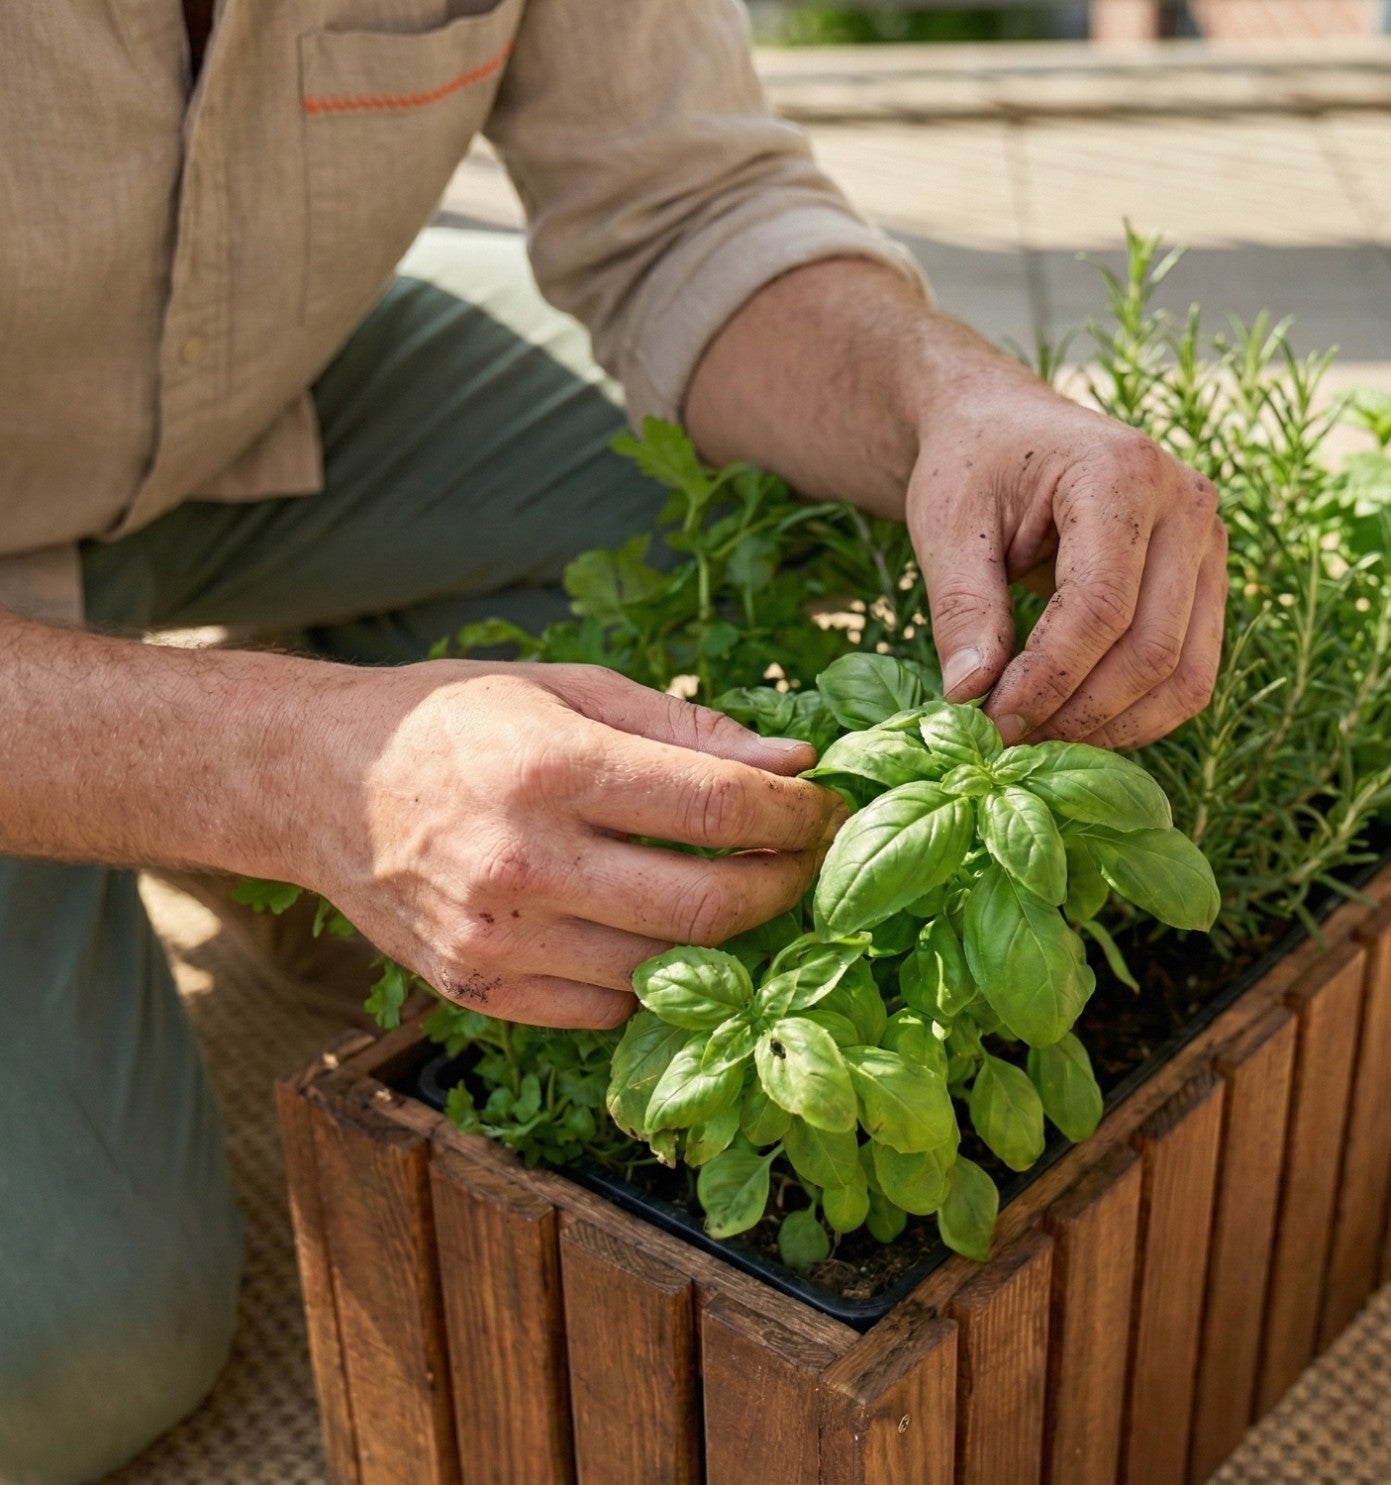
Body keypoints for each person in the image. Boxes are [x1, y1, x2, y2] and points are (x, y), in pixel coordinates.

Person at [0, 3, 1226, 1480]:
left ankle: (286, 843)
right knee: (74, 1344)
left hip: (252, 387)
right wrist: (283, 769)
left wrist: (954, 398)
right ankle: (230, 807)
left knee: (733, 517)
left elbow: (684, 211)